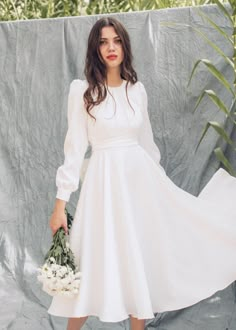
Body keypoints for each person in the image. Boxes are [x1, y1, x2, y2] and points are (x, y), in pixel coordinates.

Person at [47, 16, 236, 330]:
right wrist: (59, 206)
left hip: (139, 187)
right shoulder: (83, 93)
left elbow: (148, 147)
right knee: (95, 264)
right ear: (95, 48)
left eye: (117, 40)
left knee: (139, 263)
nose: (111, 47)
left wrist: (162, 195)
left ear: (124, 46)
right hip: (103, 189)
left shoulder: (137, 91)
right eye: (103, 42)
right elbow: (74, 150)